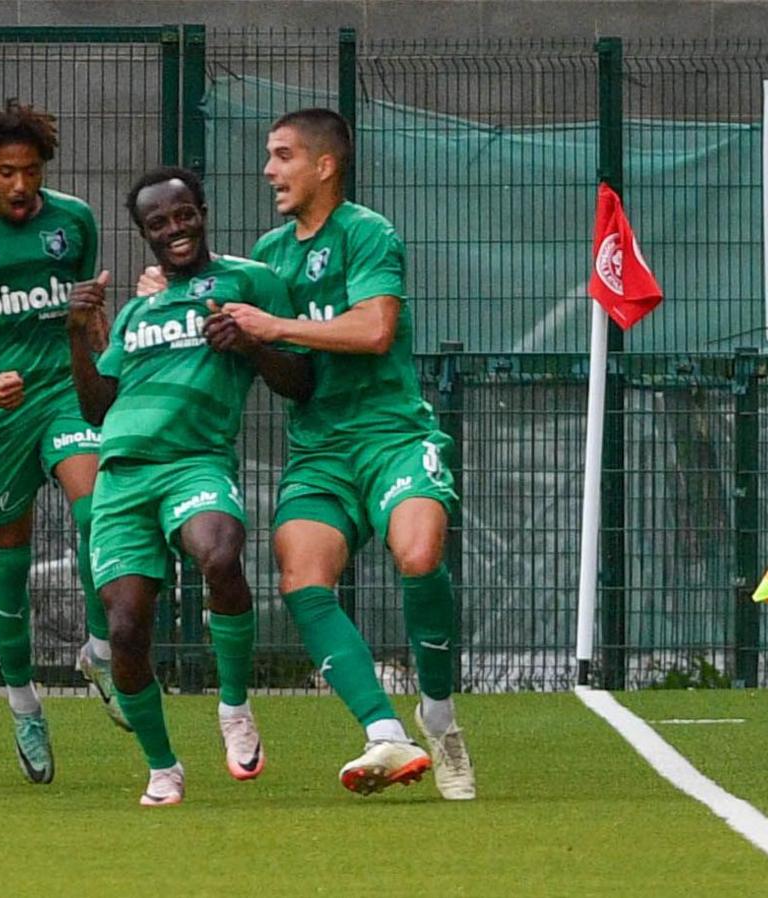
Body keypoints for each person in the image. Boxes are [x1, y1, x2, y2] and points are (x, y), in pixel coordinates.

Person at [144, 109, 474, 799]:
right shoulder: (271, 252)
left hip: (392, 435)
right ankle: (384, 733)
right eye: (269, 155)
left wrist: (276, 324)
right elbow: (224, 295)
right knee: (301, 578)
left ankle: (438, 713)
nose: (269, 170)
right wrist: (163, 295)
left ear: (324, 165)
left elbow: (376, 328)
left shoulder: (367, 233)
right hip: (318, 449)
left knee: (419, 554)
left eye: (283, 155)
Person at [69, 167, 312, 807]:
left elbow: (299, 380)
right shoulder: (137, 312)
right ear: (144, 233)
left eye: (183, 215)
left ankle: (234, 707)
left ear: (203, 211)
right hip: (121, 475)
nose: (174, 229)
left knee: (220, 551)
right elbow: (98, 408)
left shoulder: (249, 281)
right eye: (158, 222)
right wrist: (76, 333)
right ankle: (162, 768)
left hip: (194, 461)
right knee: (124, 629)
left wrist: (251, 342)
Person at [0, 99, 123, 785]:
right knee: (6, 558)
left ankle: (98, 650)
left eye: (30, 172)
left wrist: (108, 359)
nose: (20, 186)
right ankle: (23, 702)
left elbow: (91, 313)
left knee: (100, 513)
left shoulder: (74, 222)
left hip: (64, 391)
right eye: (6, 172)